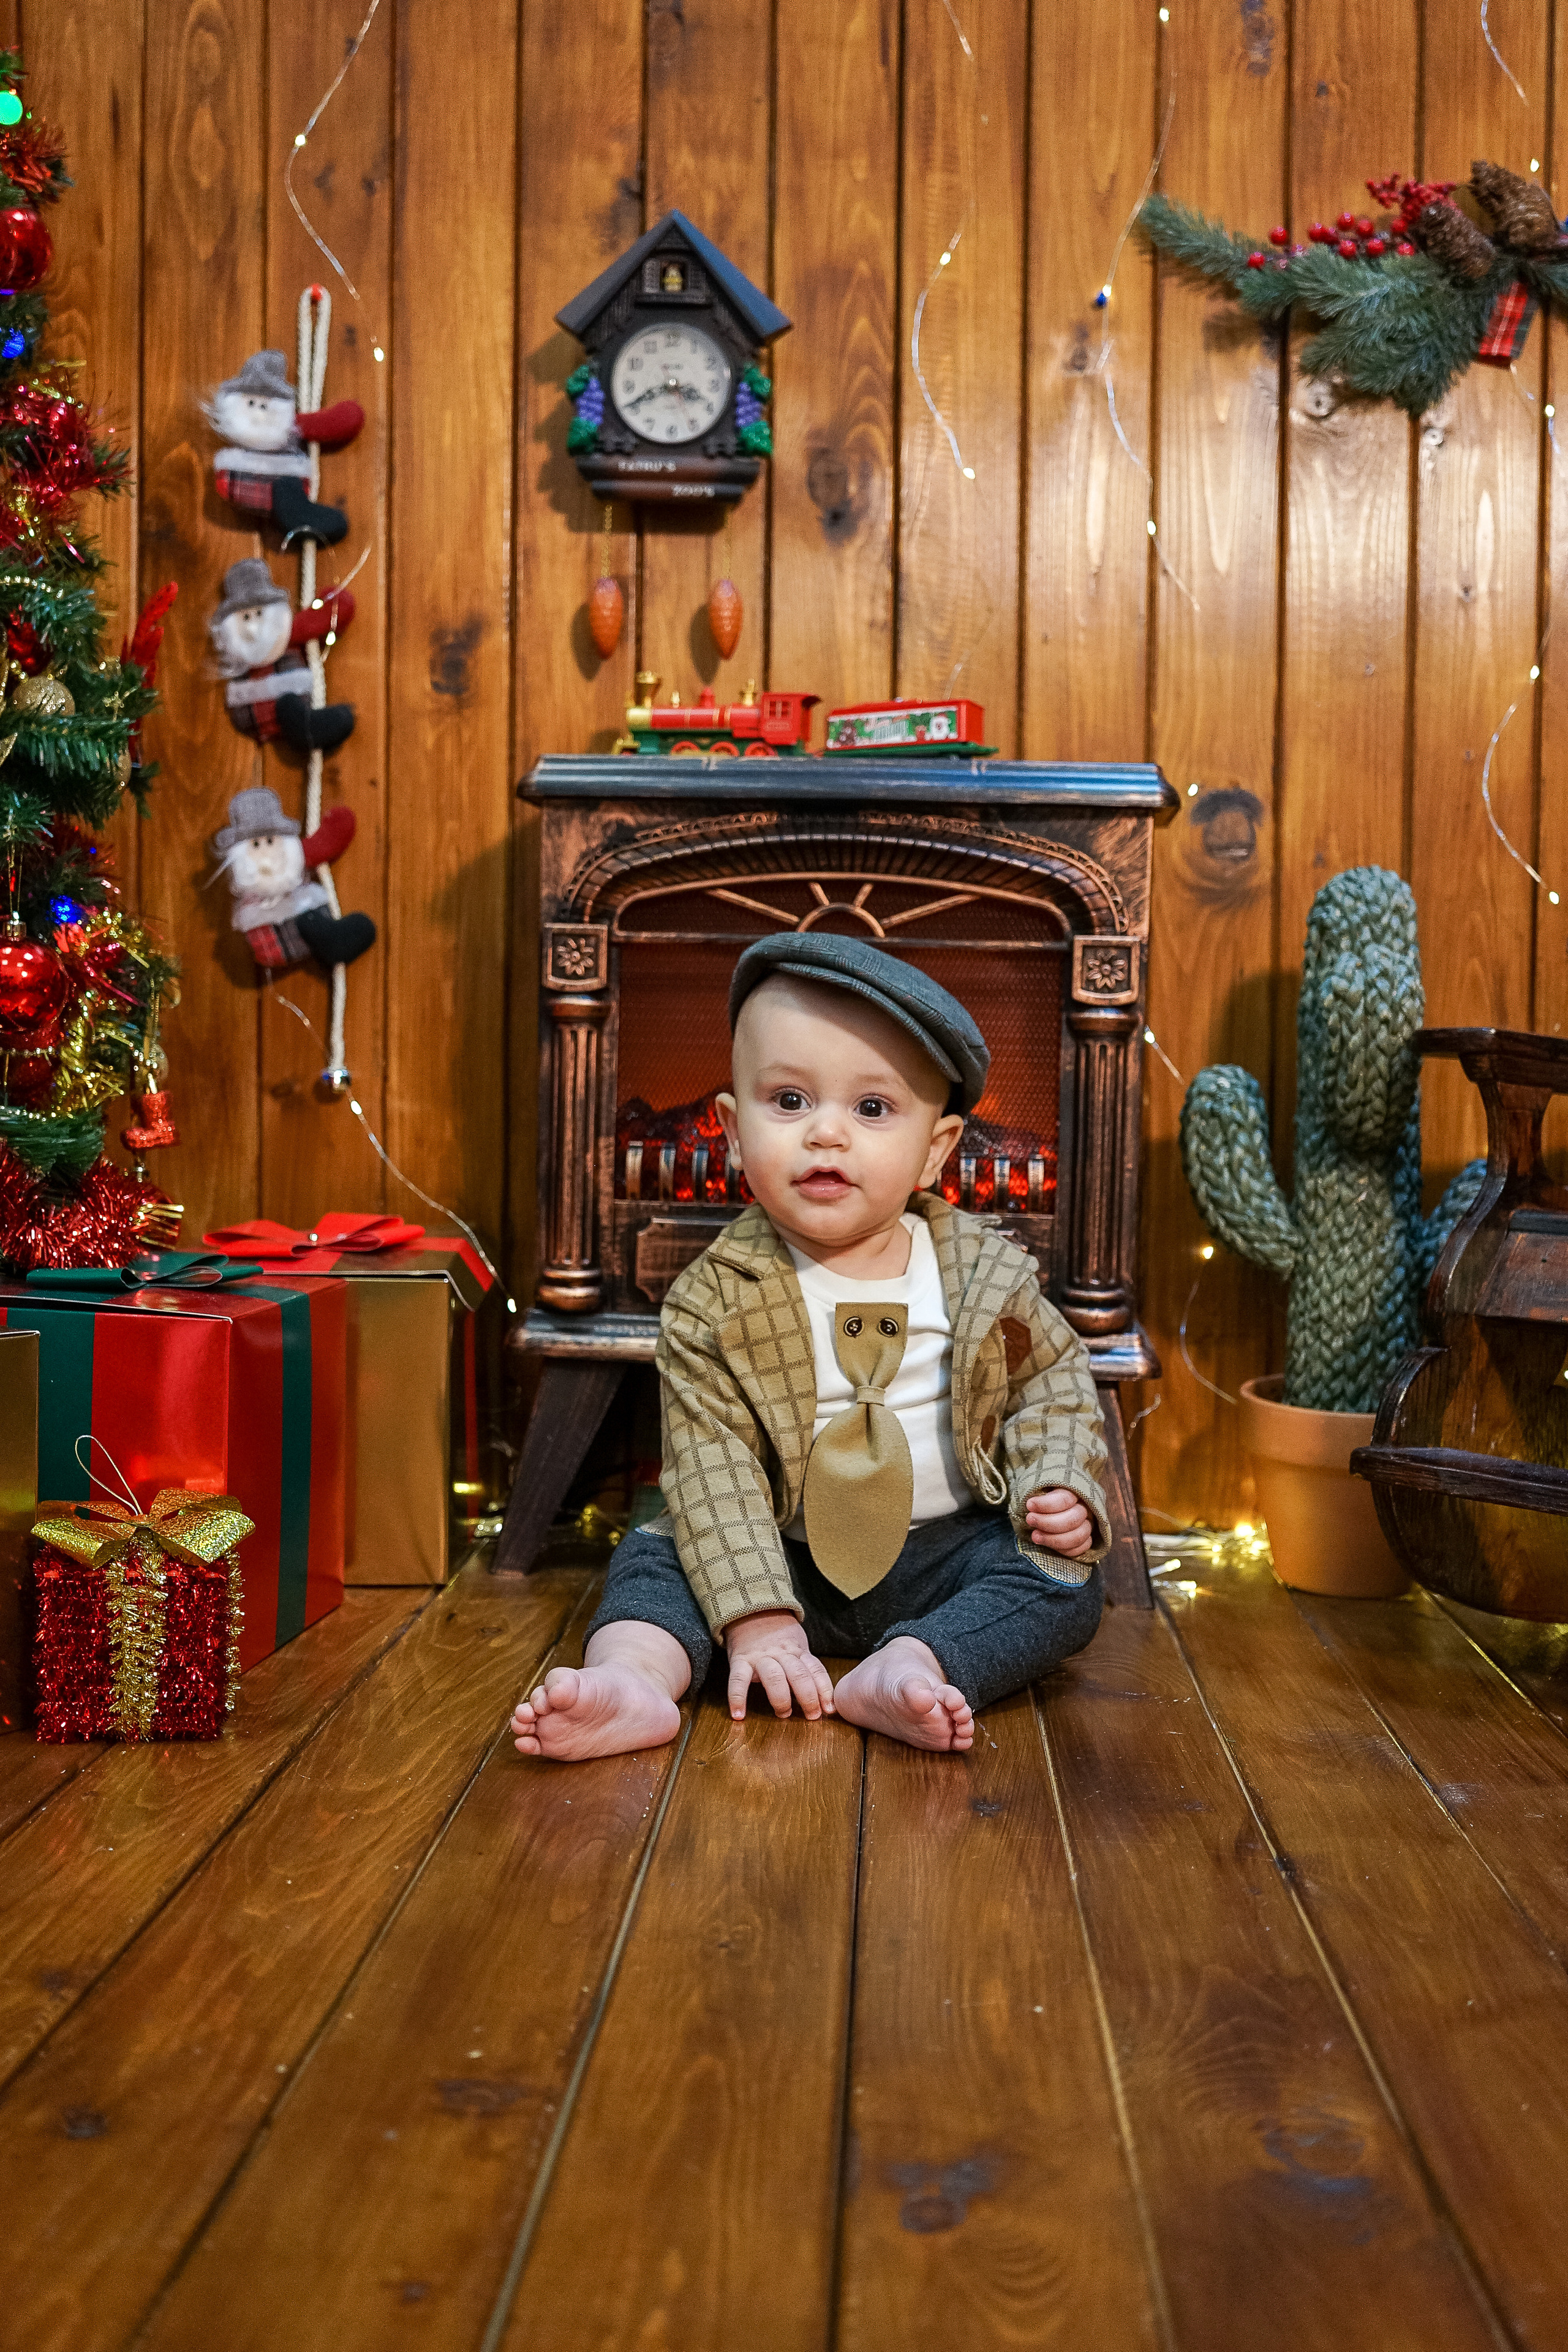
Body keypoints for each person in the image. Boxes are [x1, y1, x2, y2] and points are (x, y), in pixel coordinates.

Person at [511, 932, 1110, 1762]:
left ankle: (918, 1663)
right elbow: (712, 1465)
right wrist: (755, 1617)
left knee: (1065, 1585)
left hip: (946, 1554)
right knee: (658, 1554)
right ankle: (637, 1680)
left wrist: (1059, 1482)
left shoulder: (981, 1273)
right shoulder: (714, 1299)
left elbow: (1054, 1380)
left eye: (871, 1110)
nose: (826, 1134)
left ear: (935, 1150)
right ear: (729, 1126)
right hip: (775, 1549)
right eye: (789, 1102)